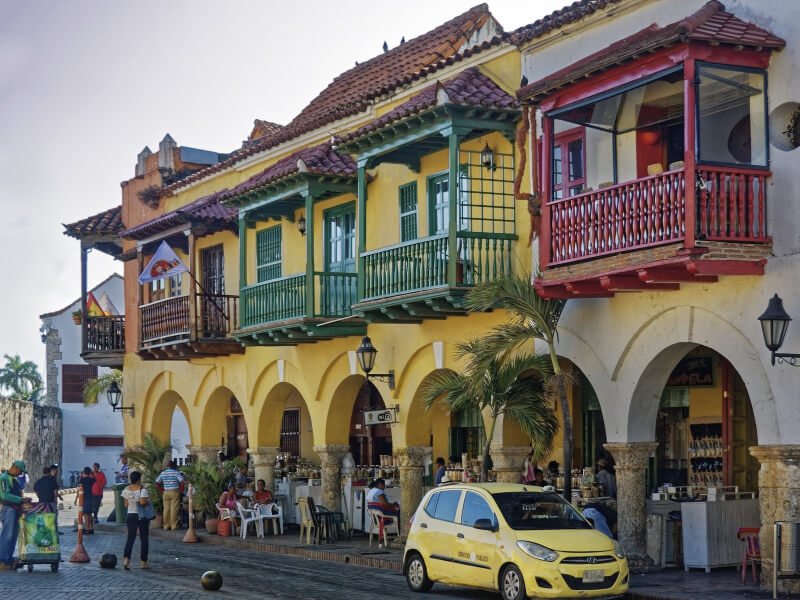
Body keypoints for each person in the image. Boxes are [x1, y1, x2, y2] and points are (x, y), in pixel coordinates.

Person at [0, 460, 31, 570]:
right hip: (8, 510)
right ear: (15, 468)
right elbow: (5, 496)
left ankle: (8, 560)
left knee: (13, 536)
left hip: (15, 510)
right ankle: (2, 561)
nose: (20, 474)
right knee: (7, 535)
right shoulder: (4, 478)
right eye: (20, 471)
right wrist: (21, 499)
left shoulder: (13, 479)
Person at [121, 471, 150, 570]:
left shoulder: (126, 489)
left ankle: (126, 560)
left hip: (130, 515)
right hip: (141, 516)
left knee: (130, 538)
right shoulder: (143, 489)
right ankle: (143, 562)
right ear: (139, 479)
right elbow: (142, 503)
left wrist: (132, 500)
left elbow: (125, 504)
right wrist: (146, 501)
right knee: (144, 539)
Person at [155, 460, 184, 530]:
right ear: (174, 466)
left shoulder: (163, 473)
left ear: (167, 466)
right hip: (175, 492)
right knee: (174, 509)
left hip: (166, 492)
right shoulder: (176, 473)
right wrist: (181, 491)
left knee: (166, 509)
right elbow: (182, 482)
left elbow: (157, 483)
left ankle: (166, 525)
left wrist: (162, 490)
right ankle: (174, 525)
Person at [76, 466, 95, 534]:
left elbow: (80, 490)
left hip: (85, 498)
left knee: (86, 514)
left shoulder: (82, 480)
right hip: (92, 497)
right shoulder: (92, 480)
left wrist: (76, 498)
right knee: (90, 514)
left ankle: (87, 529)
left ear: (84, 472)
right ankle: (91, 528)